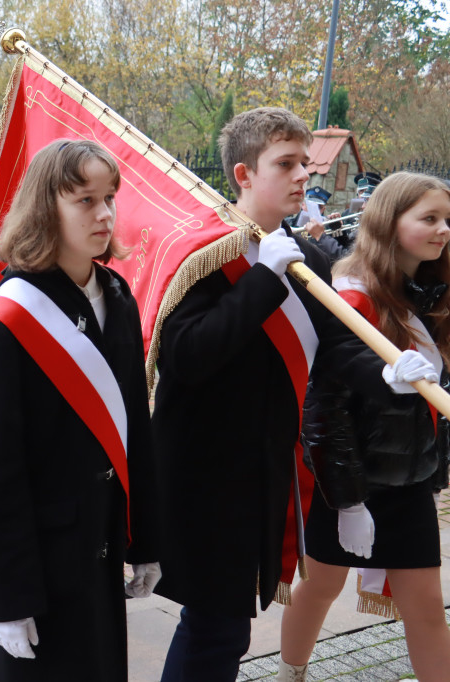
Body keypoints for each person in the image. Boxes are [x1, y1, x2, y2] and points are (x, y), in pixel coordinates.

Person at [153, 108, 404, 681]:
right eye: (285, 164)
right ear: (244, 174)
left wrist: (389, 373)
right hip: (205, 473)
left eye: (305, 165)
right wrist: (263, 280)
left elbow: (338, 351)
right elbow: (186, 357)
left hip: (263, 473)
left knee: (227, 624)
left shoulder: (307, 256)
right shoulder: (206, 253)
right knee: (216, 624)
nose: (302, 178)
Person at [0, 140, 159, 680]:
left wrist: (145, 540)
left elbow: (133, 428)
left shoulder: (117, 296)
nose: (104, 214)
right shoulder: (8, 320)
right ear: (47, 207)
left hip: (98, 547)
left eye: (109, 198)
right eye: (85, 200)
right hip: (36, 565)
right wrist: (6, 597)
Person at [278, 172, 450, 682]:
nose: (444, 230)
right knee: (320, 588)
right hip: (349, 482)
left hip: (411, 480)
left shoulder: (432, 294)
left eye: (448, 219)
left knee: (426, 609)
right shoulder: (351, 298)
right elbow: (324, 412)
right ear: (389, 223)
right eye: (430, 218)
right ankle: (291, 674)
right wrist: (349, 502)